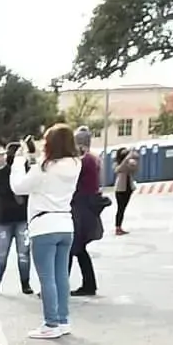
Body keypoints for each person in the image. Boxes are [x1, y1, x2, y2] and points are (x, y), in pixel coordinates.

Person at [7, 127, 80, 339]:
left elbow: (19, 187)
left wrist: (19, 161)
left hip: (44, 226)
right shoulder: (75, 164)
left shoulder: (45, 167)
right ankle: (63, 320)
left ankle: (50, 323)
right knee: (61, 277)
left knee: (46, 278)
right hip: (66, 223)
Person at [0, 142, 33, 297]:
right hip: (4, 220)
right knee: (2, 254)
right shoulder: (0, 175)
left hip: (21, 219)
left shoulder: (28, 174)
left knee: (23, 254)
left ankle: (25, 283)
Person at [70, 127, 105, 297]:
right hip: (86, 207)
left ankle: (61, 285)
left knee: (72, 248)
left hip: (81, 208)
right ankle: (89, 284)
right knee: (78, 249)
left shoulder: (85, 161)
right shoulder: (93, 159)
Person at [113, 148, 139, 234]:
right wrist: (127, 159)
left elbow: (135, 170)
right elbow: (119, 169)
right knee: (120, 209)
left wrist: (134, 160)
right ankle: (117, 227)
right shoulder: (116, 163)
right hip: (120, 189)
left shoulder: (128, 162)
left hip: (128, 188)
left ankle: (119, 227)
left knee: (123, 209)